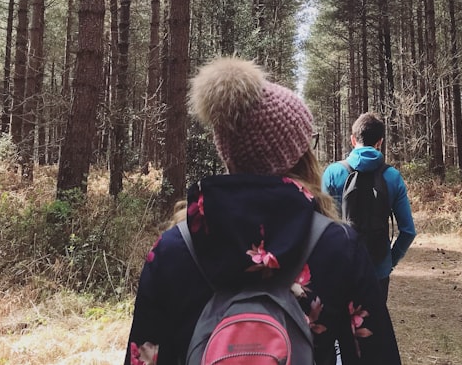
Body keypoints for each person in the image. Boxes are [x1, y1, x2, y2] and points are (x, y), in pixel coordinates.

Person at [124, 57, 402, 365]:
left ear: (227, 153)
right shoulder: (337, 246)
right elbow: (376, 355)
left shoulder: (172, 250)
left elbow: (143, 357)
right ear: (297, 154)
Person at [322, 112, 416, 302]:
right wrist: (389, 261)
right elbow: (408, 231)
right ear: (380, 142)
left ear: (352, 139)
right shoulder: (393, 176)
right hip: (378, 268)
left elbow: (319, 224)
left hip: (341, 268)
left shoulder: (333, 172)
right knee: (374, 328)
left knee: (341, 329)